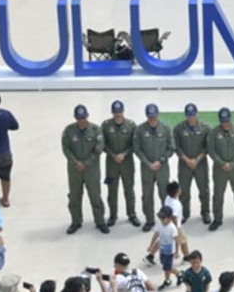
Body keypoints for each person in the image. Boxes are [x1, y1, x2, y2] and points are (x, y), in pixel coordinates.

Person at [62, 104, 107, 235]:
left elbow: (99, 149)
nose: (81, 120)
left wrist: (86, 163)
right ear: (75, 118)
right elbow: (66, 149)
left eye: (83, 117)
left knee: (95, 196)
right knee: (75, 196)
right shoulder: (69, 131)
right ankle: (76, 221)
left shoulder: (95, 130)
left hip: (91, 169)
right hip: (74, 169)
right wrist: (76, 163)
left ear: (87, 116)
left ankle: (100, 221)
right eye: (79, 118)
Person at [134, 104, 173, 231]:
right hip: (147, 168)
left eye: (154, 117)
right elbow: (137, 149)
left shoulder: (165, 128)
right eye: (150, 117)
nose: (152, 119)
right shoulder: (140, 130)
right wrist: (147, 163)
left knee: (165, 195)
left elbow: (171, 147)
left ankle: (166, 219)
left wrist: (160, 161)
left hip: (162, 168)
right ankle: (149, 220)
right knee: (147, 195)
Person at [100, 100, 139, 229]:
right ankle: (112, 215)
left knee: (129, 189)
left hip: (127, 163)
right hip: (111, 164)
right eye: (115, 112)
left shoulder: (131, 125)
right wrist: (113, 155)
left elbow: (135, 145)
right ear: (112, 112)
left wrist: (124, 154)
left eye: (120, 112)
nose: (118, 115)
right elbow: (102, 145)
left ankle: (132, 214)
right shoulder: (105, 126)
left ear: (123, 111)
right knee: (112, 190)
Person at [209, 108, 234, 231]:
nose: (225, 123)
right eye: (223, 121)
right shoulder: (214, 133)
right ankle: (217, 218)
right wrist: (221, 163)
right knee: (218, 195)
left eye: (227, 120)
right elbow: (211, 150)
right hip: (220, 169)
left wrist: (233, 163)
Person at [173, 104, 211, 226]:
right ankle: (184, 213)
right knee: (184, 191)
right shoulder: (179, 129)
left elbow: (208, 147)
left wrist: (198, 158)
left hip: (201, 164)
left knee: (204, 190)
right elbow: (176, 147)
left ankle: (205, 212)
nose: (191, 118)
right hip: (185, 164)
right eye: (189, 116)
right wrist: (187, 160)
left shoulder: (205, 128)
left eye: (193, 115)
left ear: (197, 114)